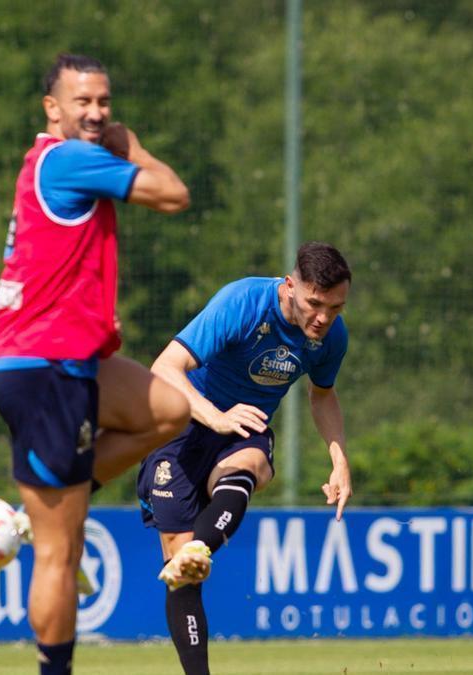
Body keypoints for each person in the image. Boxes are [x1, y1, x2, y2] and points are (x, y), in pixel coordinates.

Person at [0, 53, 192, 675]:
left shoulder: (53, 162)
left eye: (104, 101)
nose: (98, 113)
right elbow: (173, 194)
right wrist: (136, 146)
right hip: (42, 365)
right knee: (60, 549)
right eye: (83, 102)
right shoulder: (70, 157)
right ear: (53, 109)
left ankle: (53, 497)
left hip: (59, 358)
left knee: (168, 409)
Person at [138, 242, 354, 675]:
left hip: (242, 429)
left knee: (252, 465)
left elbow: (322, 395)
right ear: (290, 286)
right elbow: (165, 367)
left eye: (335, 307)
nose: (324, 318)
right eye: (315, 304)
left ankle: (200, 547)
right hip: (179, 429)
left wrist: (339, 459)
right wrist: (215, 417)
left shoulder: (332, 336)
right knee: (182, 578)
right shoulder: (243, 302)